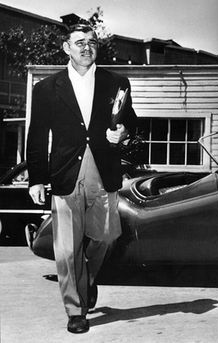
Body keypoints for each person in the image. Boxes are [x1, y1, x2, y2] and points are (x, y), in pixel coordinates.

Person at [26, 24, 137, 334]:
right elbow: (36, 137)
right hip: (64, 173)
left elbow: (131, 121)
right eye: (79, 42)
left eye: (92, 42)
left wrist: (123, 133)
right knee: (66, 249)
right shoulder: (47, 88)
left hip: (103, 171)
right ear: (66, 47)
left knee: (106, 236)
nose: (86, 47)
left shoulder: (116, 82)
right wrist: (36, 179)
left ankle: (85, 279)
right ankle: (76, 310)